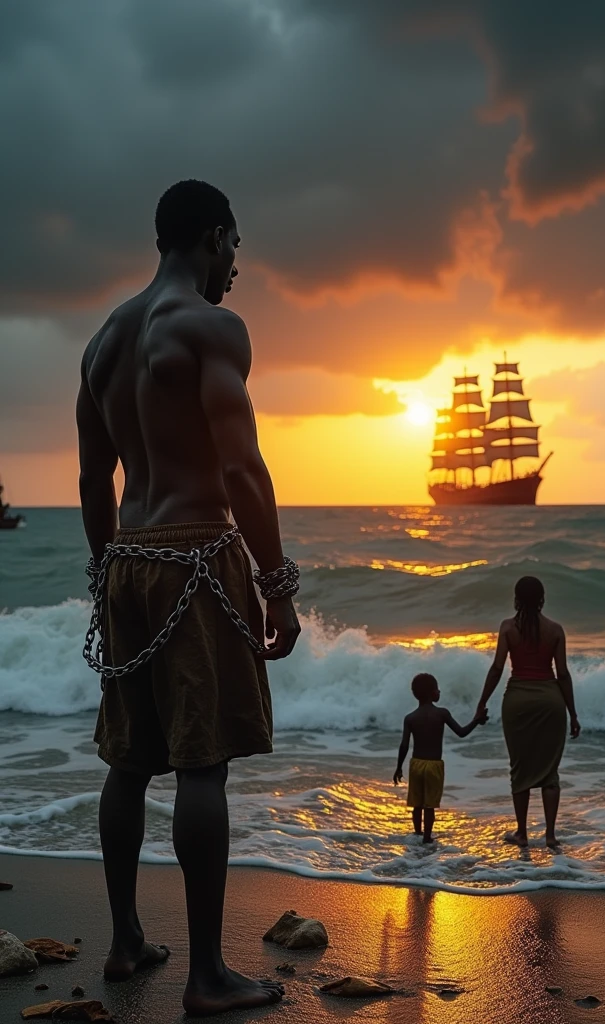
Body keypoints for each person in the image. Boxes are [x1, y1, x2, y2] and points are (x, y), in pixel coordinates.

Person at [76, 180, 300, 1017]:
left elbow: (93, 479)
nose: (236, 267)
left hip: (129, 559)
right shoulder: (211, 328)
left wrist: (105, 581)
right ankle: (206, 976)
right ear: (213, 236)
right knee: (203, 764)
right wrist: (276, 586)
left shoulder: (103, 341)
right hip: (197, 555)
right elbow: (242, 468)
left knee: (129, 762)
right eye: (235, 247)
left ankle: (127, 941)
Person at [475, 576, 580, 851]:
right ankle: (550, 836)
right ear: (543, 599)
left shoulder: (508, 628)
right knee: (550, 772)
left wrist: (482, 701)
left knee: (520, 769)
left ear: (517, 599)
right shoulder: (555, 630)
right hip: (550, 702)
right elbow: (563, 674)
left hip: (517, 702)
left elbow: (497, 668)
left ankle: (522, 833)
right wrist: (573, 712)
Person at [393, 673, 488, 843]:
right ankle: (428, 839)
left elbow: (404, 745)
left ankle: (417, 834)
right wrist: (476, 720)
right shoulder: (442, 714)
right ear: (431, 693)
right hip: (434, 766)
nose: (439, 692)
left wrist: (399, 767)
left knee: (417, 804)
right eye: (437, 689)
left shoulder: (410, 718)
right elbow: (461, 733)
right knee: (430, 806)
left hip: (415, 765)